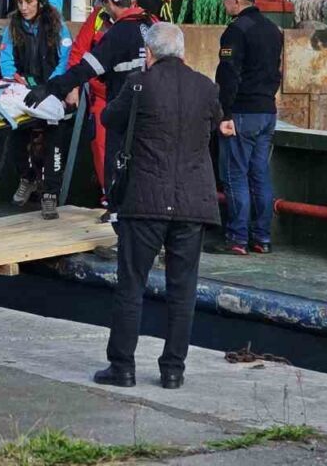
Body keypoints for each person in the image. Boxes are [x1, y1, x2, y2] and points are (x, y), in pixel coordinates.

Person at [92, 23, 221, 390]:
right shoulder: (206, 87)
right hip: (192, 202)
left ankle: (122, 367)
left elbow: (109, 119)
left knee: (131, 284)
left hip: (145, 199)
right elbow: (215, 122)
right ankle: (173, 370)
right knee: (183, 289)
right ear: (182, 52)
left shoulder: (138, 84)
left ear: (148, 54)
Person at [23, 0, 153, 218]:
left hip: (120, 109)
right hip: (150, 110)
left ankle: (117, 213)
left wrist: (50, 88)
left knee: (115, 160)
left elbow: (85, 68)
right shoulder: (152, 26)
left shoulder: (118, 34)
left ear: (108, 1)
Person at [213, 0, 283, 256]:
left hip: (242, 112)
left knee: (235, 175)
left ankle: (237, 238)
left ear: (235, 0)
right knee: (259, 175)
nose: (223, 4)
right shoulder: (273, 29)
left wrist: (225, 113)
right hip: (267, 112)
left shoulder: (236, 31)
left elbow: (228, 74)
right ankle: (261, 237)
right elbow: (276, 72)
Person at [0, 0, 74, 219]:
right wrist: (14, 78)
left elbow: (64, 61)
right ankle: (28, 177)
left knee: (55, 137)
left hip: (51, 88)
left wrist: (50, 86)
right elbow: (6, 59)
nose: (24, 7)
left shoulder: (57, 27)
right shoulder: (13, 27)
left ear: (40, 2)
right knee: (15, 135)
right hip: (24, 89)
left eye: (29, 2)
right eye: (20, 2)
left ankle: (50, 193)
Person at [67, 2, 111, 207]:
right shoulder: (98, 18)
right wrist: (72, 86)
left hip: (135, 95)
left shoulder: (143, 19)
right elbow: (78, 52)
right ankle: (108, 196)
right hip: (102, 95)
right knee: (100, 144)